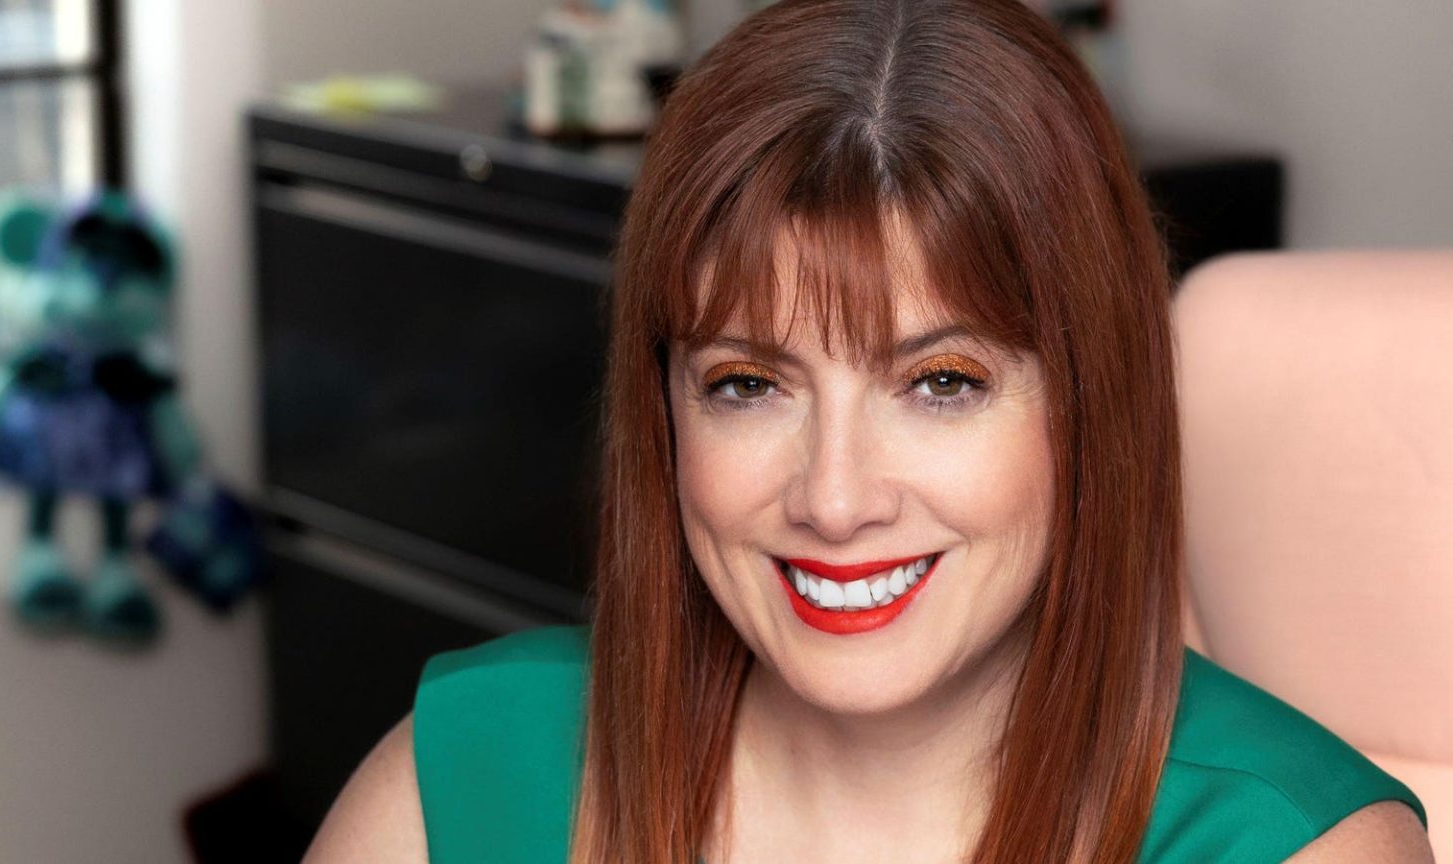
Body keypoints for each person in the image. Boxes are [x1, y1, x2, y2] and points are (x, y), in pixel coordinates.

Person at [304, 1, 1433, 861]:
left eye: (941, 382)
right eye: (748, 385)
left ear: (1095, 409)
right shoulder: (460, 780)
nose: (835, 500)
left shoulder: (1297, 847)